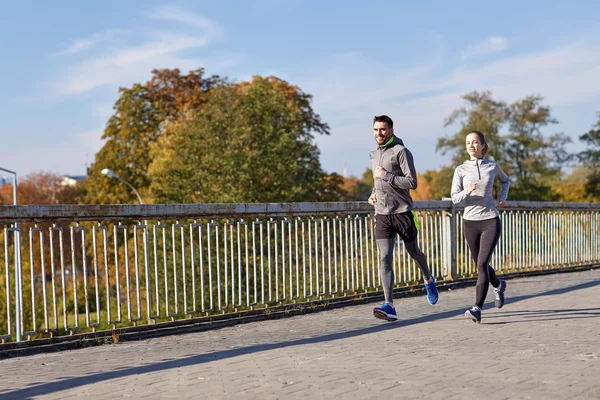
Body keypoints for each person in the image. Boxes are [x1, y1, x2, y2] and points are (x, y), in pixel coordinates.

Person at [368, 115, 439, 322]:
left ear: (391, 130)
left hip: (402, 212)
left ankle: (428, 278)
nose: (378, 133)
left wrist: (386, 176)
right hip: (382, 214)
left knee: (414, 252)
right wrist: (374, 192)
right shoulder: (373, 154)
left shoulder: (401, 152)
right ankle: (389, 305)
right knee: (384, 257)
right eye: (375, 130)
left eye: (382, 129)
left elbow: (412, 182)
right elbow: (378, 180)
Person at [451, 130, 510, 323]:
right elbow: (454, 198)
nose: (471, 145)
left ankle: (477, 308)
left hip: (490, 220)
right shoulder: (460, 170)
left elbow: (506, 180)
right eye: (468, 142)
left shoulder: (492, 166)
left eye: (475, 142)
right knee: (479, 264)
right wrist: (466, 192)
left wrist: (502, 197)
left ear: (482, 145)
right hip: (470, 222)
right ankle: (498, 285)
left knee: (482, 264)